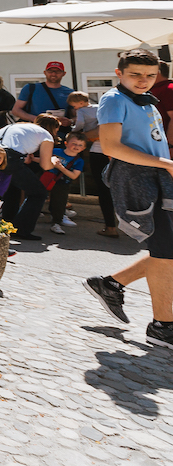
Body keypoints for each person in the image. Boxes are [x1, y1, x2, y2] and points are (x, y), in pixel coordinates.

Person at [84, 49, 173, 350]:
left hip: (158, 178)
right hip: (137, 179)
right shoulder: (114, 100)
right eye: (136, 74)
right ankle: (162, 326)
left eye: (150, 75)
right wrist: (166, 164)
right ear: (119, 73)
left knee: (167, 249)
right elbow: (111, 147)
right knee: (164, 251)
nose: (144, 81)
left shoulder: (148, 101)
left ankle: (110, 284)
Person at [0, 114, 61, 241]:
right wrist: (53, 160)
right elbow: (46, 165)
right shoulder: (46, 136)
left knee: (13, 189)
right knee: (38, 193)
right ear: (53, 129)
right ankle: (22, 229)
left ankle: (8, 224)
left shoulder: (20, 126)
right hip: (10, 158)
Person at [70, 91, 116, 237]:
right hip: (119, 150)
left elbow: (86, 127)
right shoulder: (101, 108)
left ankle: (110, 226)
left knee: (103, 189)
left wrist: (76, 134)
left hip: (100, 150)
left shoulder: (85, 111)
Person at [43, 131, 86, 234]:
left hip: (63, 183)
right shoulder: (55, 151)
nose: (76, 146)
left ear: (83, 148)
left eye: (80, 145)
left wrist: (60, 167)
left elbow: (74, 175)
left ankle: (56, 222)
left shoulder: (79, 161)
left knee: (59, 202)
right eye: (74, 143)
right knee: (39, 196)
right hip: (47, 178)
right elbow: (43, 159)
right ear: (66, 143)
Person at [13, 61, 73, 127]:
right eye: (50, 71)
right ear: (45, 73)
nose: (53, 74)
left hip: (59, 132)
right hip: (35, 130)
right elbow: (16, 110)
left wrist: (70, 121)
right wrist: (38, 120)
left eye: (57, 71)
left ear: (64, 74)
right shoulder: (31, 88)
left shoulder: (70, 93)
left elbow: (78, 115)